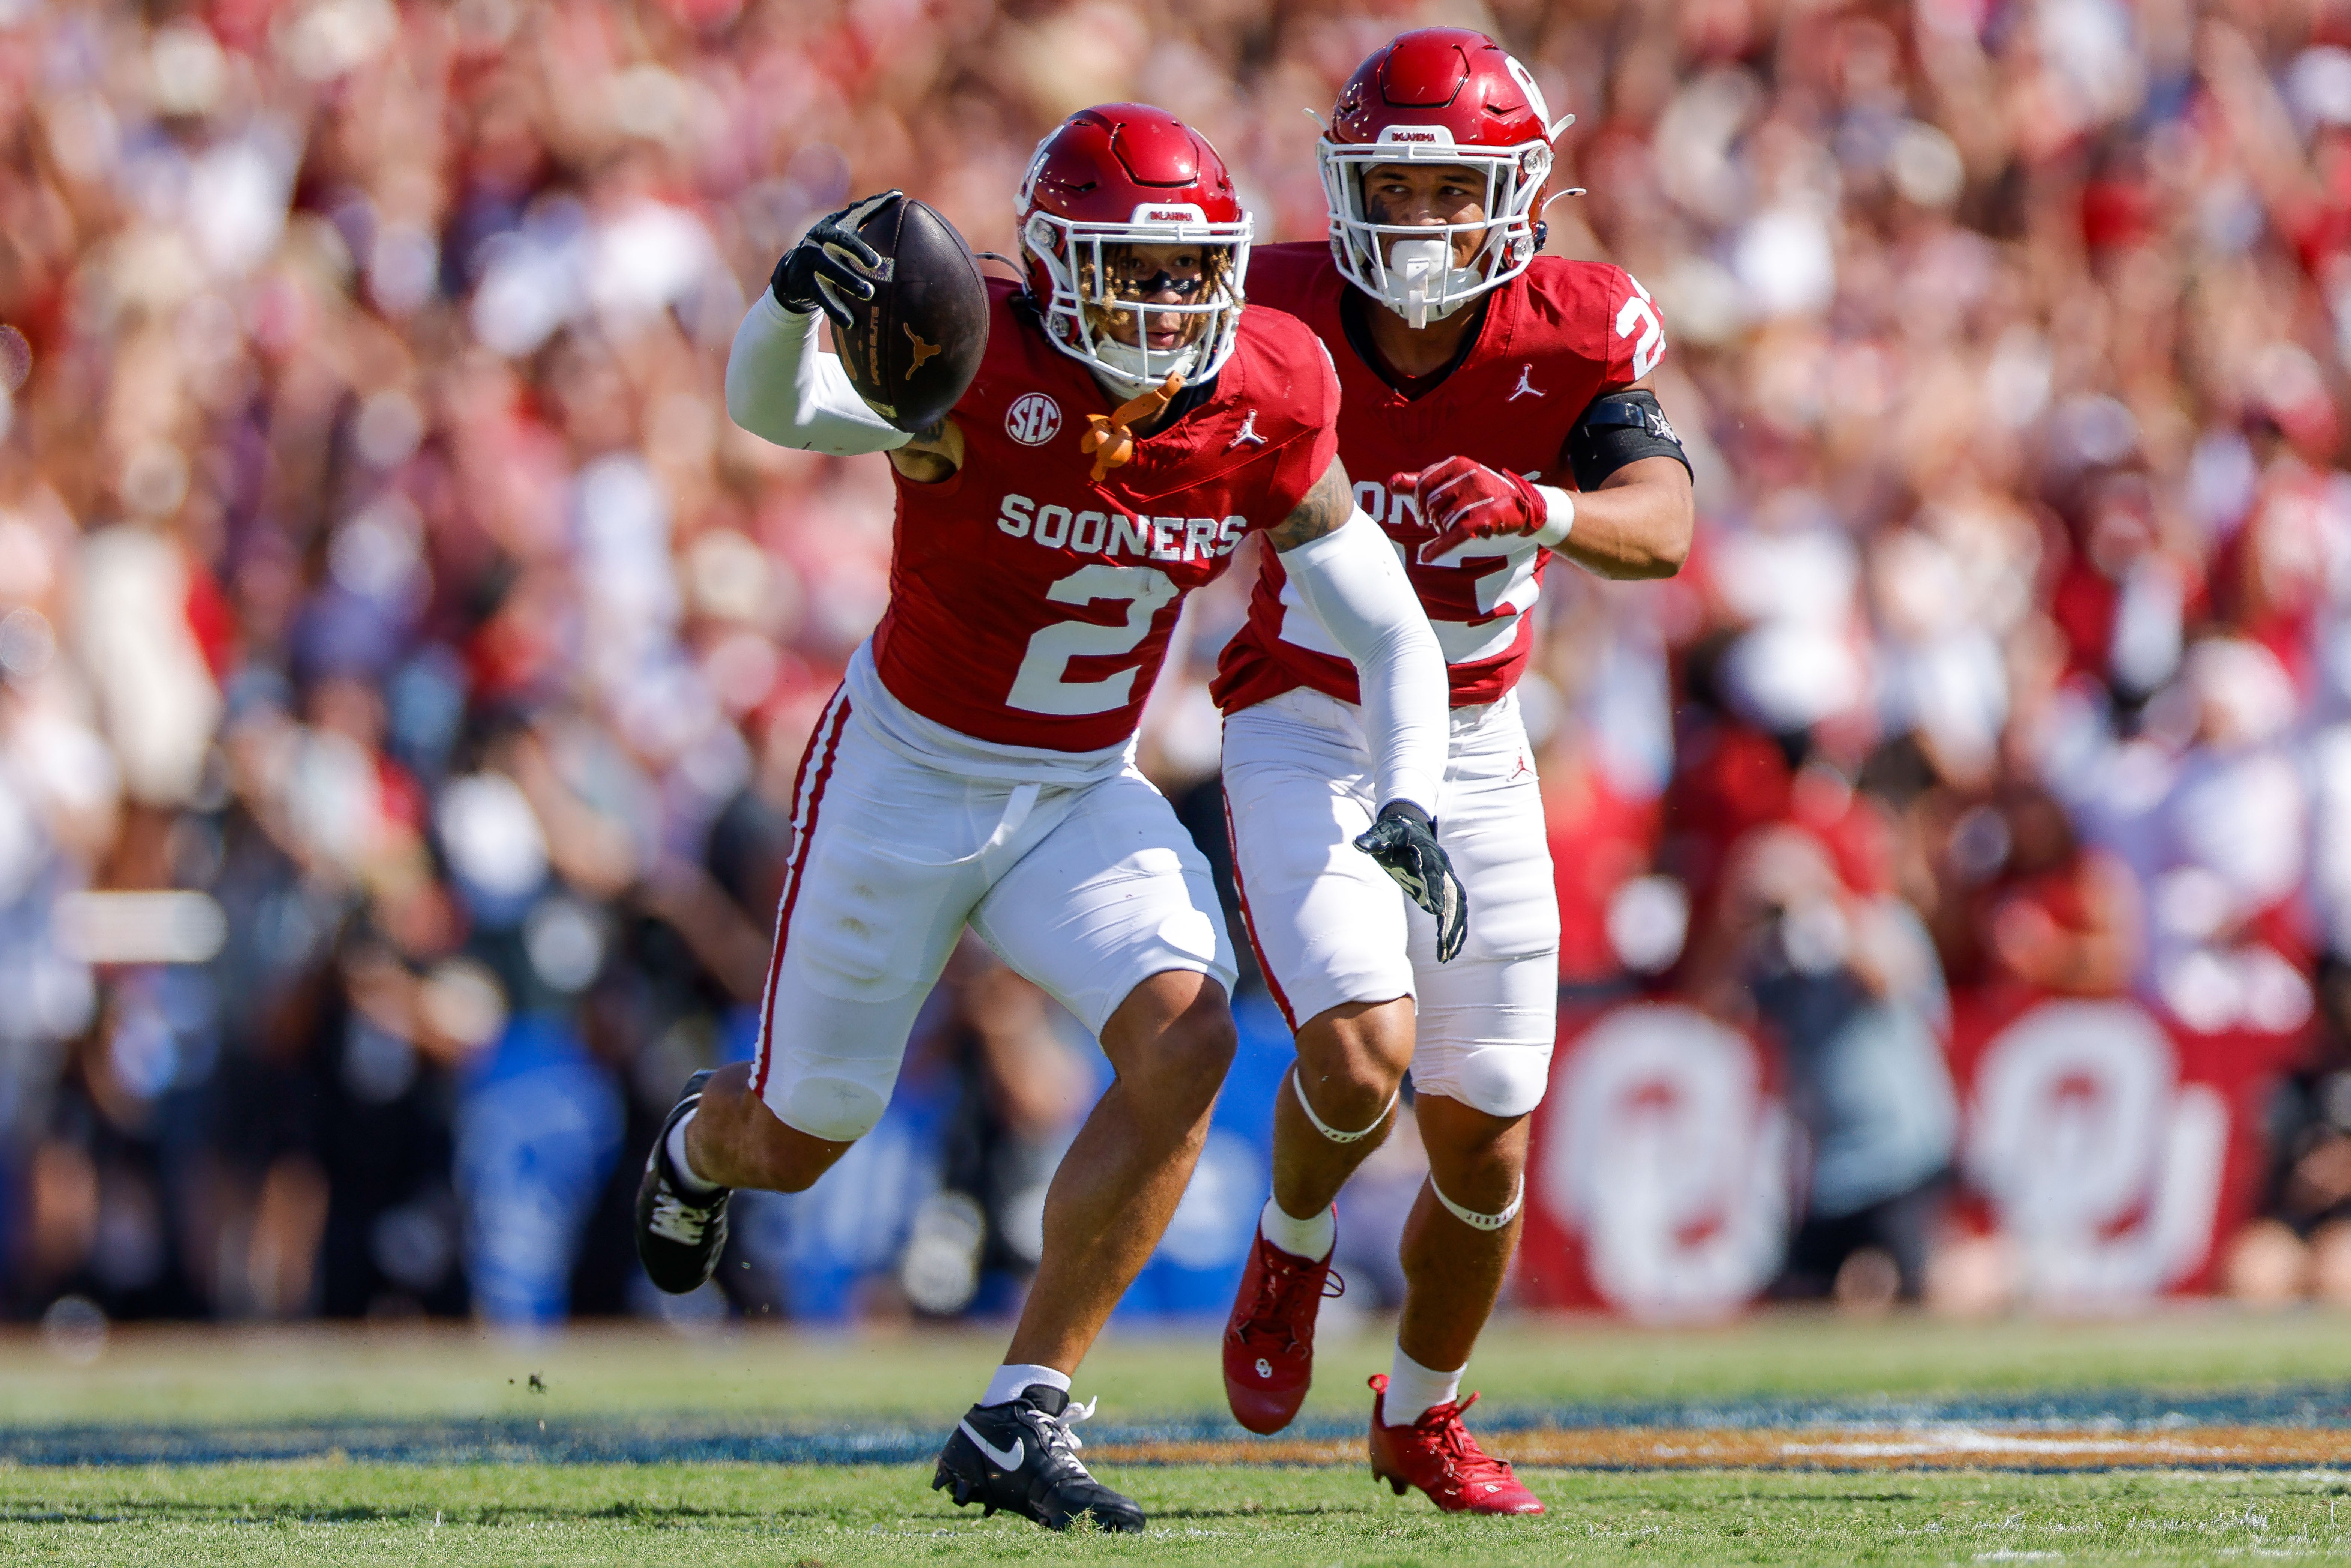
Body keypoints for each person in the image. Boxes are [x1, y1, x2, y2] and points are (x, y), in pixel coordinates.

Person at [635, 104, 1461, 1535]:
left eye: (1188, 271)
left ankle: (1022, 1408)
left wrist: (1409, 792)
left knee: (1191, 1033)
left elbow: (1388, 628)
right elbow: (773, 410)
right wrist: (785, 301)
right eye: (1126, 272)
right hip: (902, 773)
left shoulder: (1267, 385)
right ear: (1054, 265)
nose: (1165, 304)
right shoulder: (974, 356)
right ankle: (702, 1150)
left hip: (1079, 786)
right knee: (805, 1130)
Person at [1209, 29, 1694, 1515]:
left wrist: (1542, 506)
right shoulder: (1268, 301)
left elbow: (1663, 525)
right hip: (1306, 713)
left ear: (1518, 195)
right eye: (1394, 186)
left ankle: (1419, 1412)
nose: (1420, 220)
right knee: (1359, 1053)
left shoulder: (1570, 328)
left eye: (1450, 187)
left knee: (1483, 1136)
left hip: (1476, 739)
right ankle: (1293, 1242)